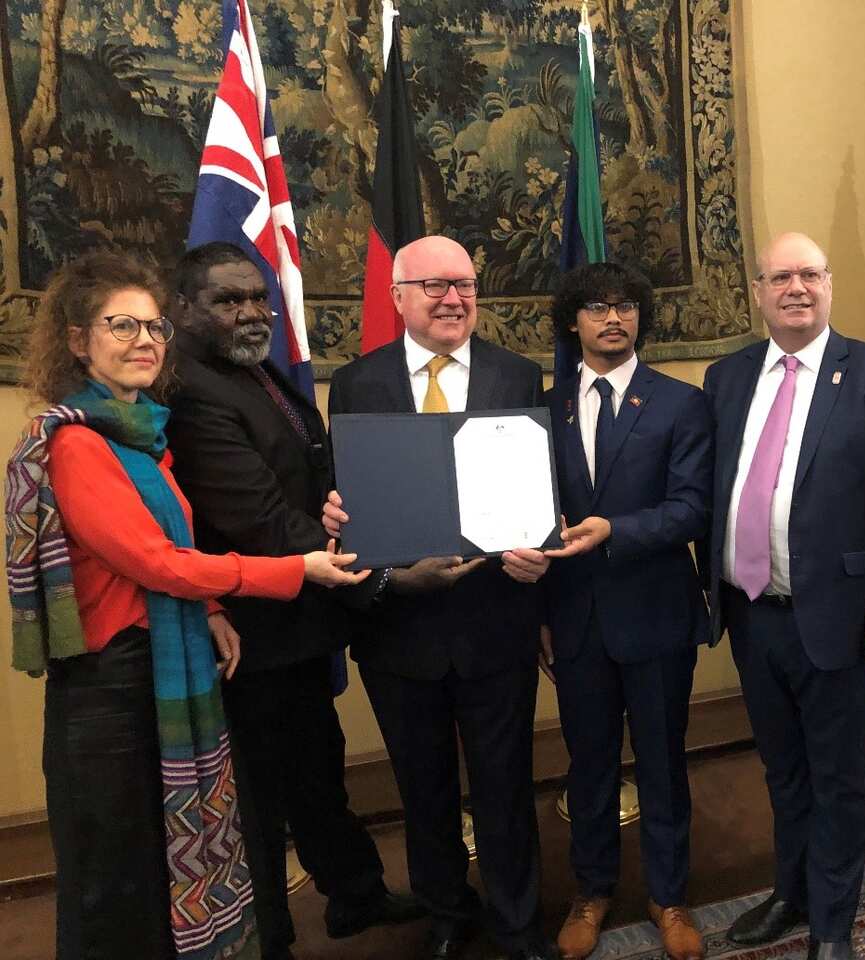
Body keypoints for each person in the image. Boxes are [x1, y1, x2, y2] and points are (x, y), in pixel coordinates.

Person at [6, 251, 371, 960]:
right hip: (108, 692)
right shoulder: (80, 444)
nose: (145, 340)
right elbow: (154, 562)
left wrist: (206, 613)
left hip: (159, 666)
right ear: (79, 340)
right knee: (118, 877)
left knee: (169, 860)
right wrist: (290, 568)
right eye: (122, 326)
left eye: (151, 328)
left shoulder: (140, 437)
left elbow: (156, 546)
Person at [164, 242, 423, 960]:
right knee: (260, 800)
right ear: (183, 308)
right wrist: (378, 573)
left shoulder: (252, 368)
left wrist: (351, 513)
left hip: (300, 626)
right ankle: (269, 938)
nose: (250, 311)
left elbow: (308, 468)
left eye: (257, 297)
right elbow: (262, 519)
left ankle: (354, 894)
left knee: (317, 766)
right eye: (228, 300)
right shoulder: (191, 391)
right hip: (251, 633)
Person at [700, 233, 865, 960]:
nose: (795, 288)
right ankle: (790, 893)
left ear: (829, 284)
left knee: (838, 780)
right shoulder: (727, 377)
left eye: (809, 274)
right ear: (758, 292)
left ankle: (832, 926)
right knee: (783, 772)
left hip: (844, 619)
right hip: (753, 614)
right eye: (780, 277)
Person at [323, 235, 555, 960]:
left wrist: (540, 555)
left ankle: (518, 924)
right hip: (401, 628)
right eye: (434, 286)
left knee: (505, 786)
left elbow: (540, 488)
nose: (453, 299)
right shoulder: (357, 384)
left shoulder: (517, 376)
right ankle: (448, 915)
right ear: (397, 298)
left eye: (465, 284)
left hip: (497, 620)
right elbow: (343, 493)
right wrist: (335, 512)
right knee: (422, 791)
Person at [538, 261, 713, 960]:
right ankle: (592, 892)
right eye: (596, 308)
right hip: (575, 617)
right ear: (572, 321)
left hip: (657, 612)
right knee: (588, 766)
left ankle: (669, 897)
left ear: (640, 316)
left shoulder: (680, 403)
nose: (613, 319)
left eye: (625, 307)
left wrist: (616, 530)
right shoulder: (544, 407)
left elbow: (692, 508)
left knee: (664, 763)